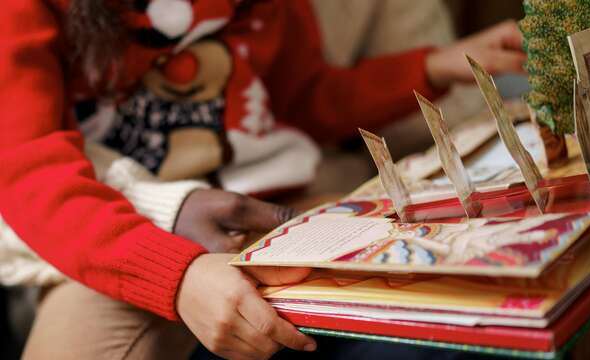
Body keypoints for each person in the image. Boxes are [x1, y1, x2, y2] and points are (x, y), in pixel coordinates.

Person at [0, 0, 526, 359]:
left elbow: (302, 99)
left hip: (283, 209)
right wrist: (176, 276)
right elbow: (29, 171)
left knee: (506, 293)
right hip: (119, 240)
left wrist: (431, 68)